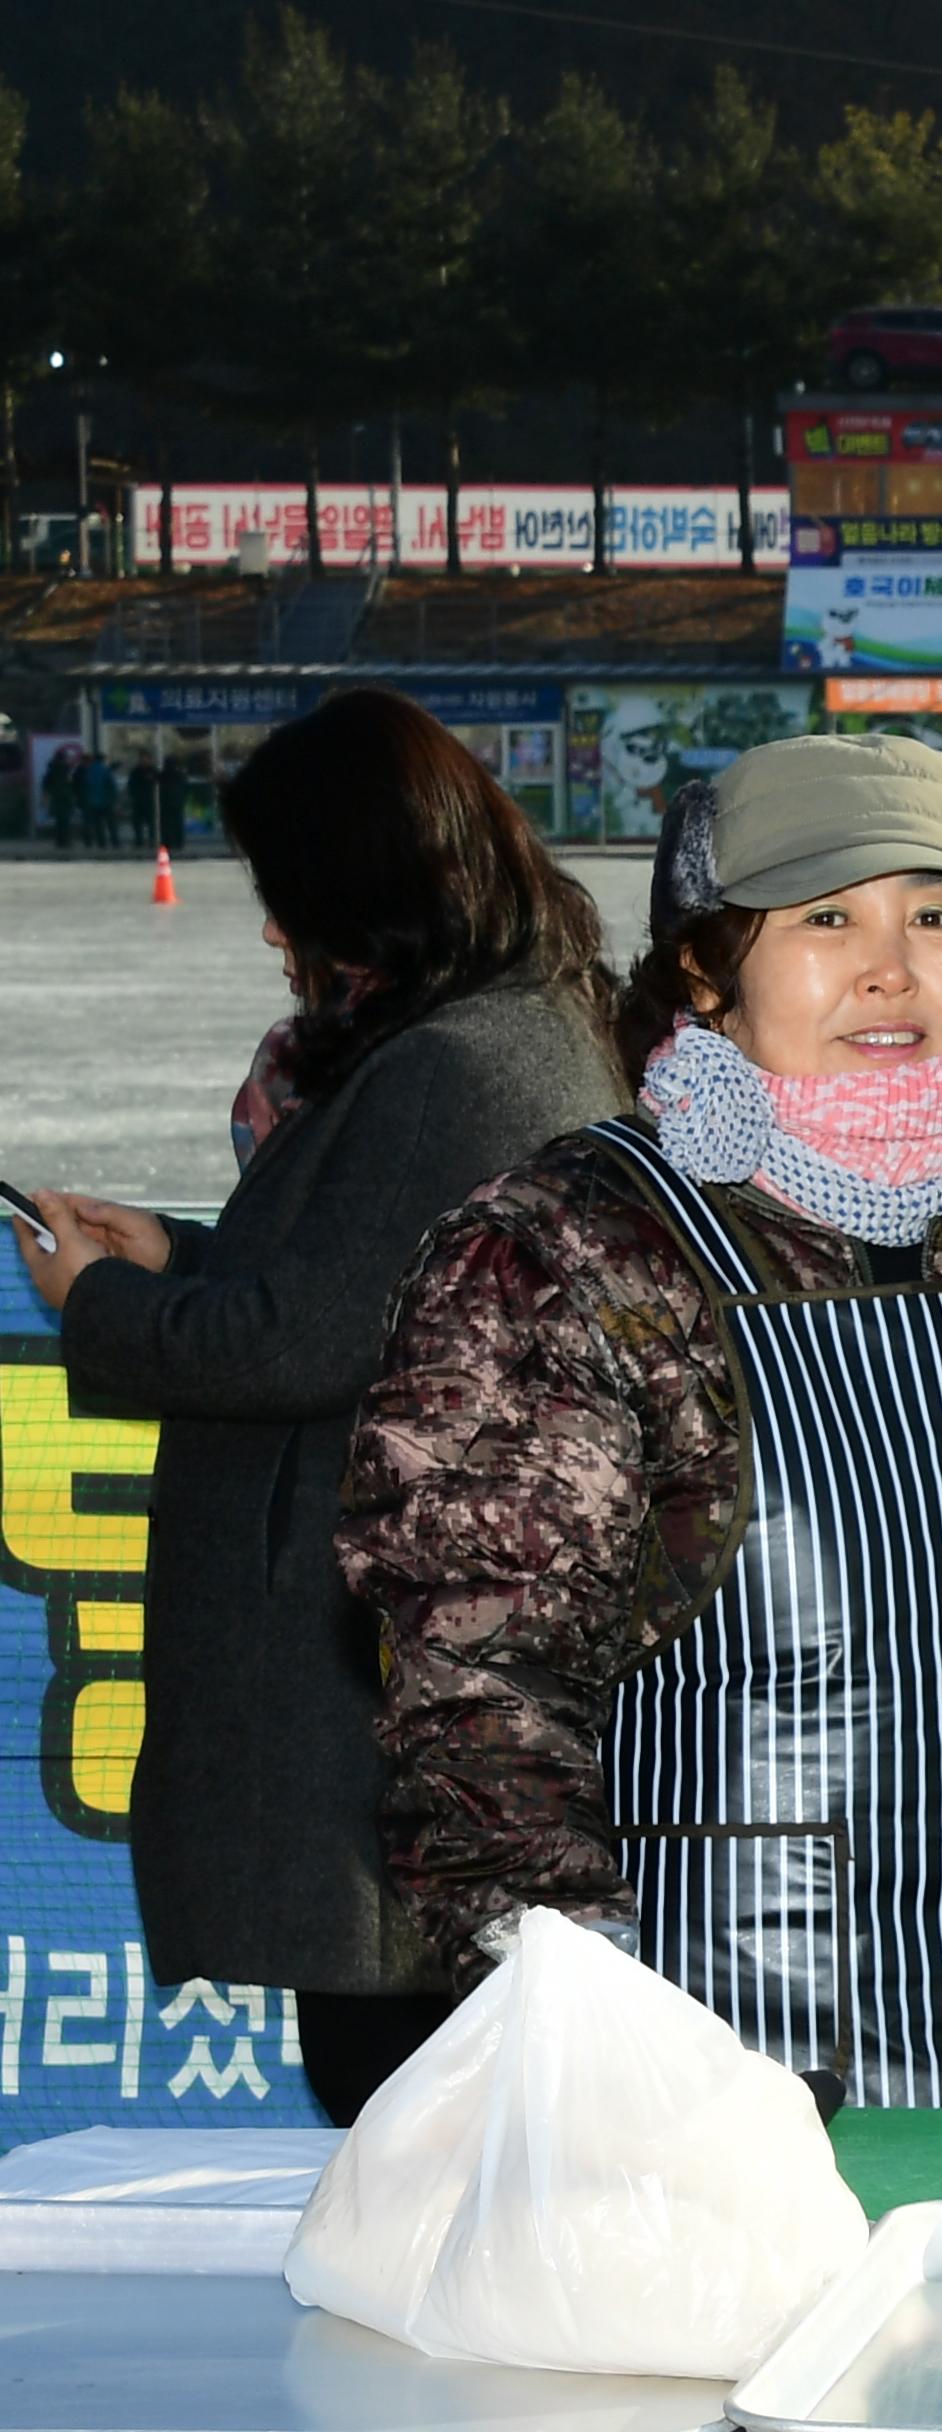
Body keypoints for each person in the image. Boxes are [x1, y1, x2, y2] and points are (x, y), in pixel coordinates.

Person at [344, 733, 942, 2108]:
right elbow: (480, 1703)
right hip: (727, 2081)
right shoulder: (572, 1251)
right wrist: (600, 2046)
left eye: (936, 916)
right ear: (707, 968)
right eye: (827, 917)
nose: (890, 968)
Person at [13, 688, 625, 2124]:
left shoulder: (457, 1065)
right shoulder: (500, 1032)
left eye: (279, 889)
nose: (272, 928)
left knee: (399, 2106)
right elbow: (384, 1289)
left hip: (383, 1680)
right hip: (414, 1668)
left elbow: (303, 1343)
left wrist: (94, 1302)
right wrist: (183, 1254)